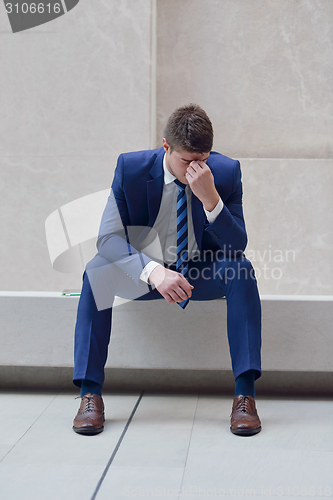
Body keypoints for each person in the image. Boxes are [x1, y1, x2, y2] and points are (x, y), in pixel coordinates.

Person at [72, 104, 262, 437]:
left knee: (241, 269)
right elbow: (108, 239)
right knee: (95, 271)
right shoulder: (130, 169)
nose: (196, 168)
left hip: (200, 273)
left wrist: (211, 199)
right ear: (166, 147)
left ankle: (244, 395)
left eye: (203, 159)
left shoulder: (225, 172)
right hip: (146, 275)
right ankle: (90, 394)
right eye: (187, 160)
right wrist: (153, 272)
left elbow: (236, 245)